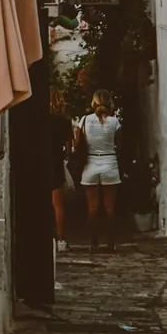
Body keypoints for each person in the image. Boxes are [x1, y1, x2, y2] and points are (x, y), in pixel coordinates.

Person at [77, 90, 123, 252]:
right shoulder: (114, 122)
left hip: (90, 163)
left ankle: (93, 243)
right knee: (109, 207)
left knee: (92, 207)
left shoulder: (84, 121)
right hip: (110, 162)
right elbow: (119, 145)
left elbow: (78, 143)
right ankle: (111, 243)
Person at [50, 92, 72, 252]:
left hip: (40, 161)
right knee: (58, 204)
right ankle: (61, 240)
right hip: (56, 162)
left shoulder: (41, 120)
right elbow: (69, 148)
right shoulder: (64, 122)